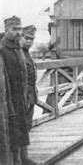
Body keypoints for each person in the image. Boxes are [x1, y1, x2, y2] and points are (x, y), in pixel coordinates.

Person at [0, 16, 37, 164]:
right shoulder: (3, 50)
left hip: (21, 98)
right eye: (14, 29)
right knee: (10, 136)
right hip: (8, 101)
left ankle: (22, 159)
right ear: (6, 30)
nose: (18, 32)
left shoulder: (19, 50)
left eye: (19, 29)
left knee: (21, 131)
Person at [19, 25, 38, 164]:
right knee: (20, 126)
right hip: (21, 95)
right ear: (21, 37)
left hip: (30, 95)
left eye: (32, 39)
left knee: (27, 125)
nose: (30, 41)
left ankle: (24, 156)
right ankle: (20, 157)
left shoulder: (27, 54)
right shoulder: (18, 53)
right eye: (27, 38)